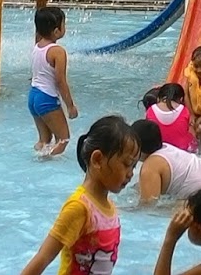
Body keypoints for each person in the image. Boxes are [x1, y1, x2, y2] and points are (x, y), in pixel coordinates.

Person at [19, 115, 140, 275]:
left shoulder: (109, 206)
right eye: (126, 164)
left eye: (134, 166)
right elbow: (43, 257)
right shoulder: (79, 207)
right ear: (97, 159)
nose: (131, 174)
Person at [133, 119, 201, 204]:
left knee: (175, 207)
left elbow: (148, 207)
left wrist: (123, 210)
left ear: (136, 146)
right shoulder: (166, 148)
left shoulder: (150, 166)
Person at [31, 6, 78, 157]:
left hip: (33, 96)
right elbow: (60, 81)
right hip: (46, 98)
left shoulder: (37, 47)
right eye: (64, 24)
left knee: (44, 140)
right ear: (57, 31)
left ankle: (36, 161)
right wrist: (70, 105)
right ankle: (43, 161)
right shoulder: (58, 51)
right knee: (63, 140)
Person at [144, 82, 197, 153]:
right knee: (190, 126)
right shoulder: (184, 110)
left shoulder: (150, 110)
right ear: (181, 99)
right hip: (182, 149)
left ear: (158, 98)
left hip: (159, 149)